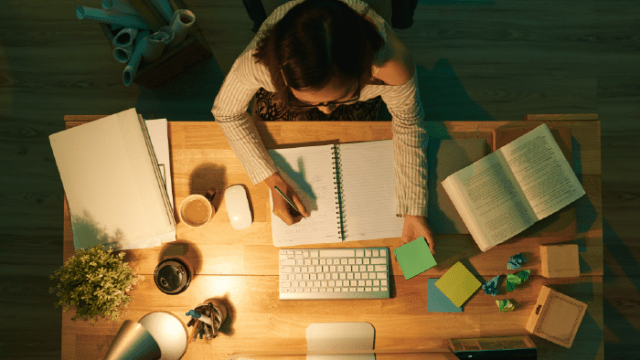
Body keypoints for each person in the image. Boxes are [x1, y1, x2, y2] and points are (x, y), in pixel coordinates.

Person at [211, 0, 435, 253]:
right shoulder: (257, 64)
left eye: (340, 98)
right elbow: (227, 113)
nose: (328, 111)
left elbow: (408, 121)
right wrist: (272, 181)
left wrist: (414, 210)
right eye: (314, 101)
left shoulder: (390, 62)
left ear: (363, 70)